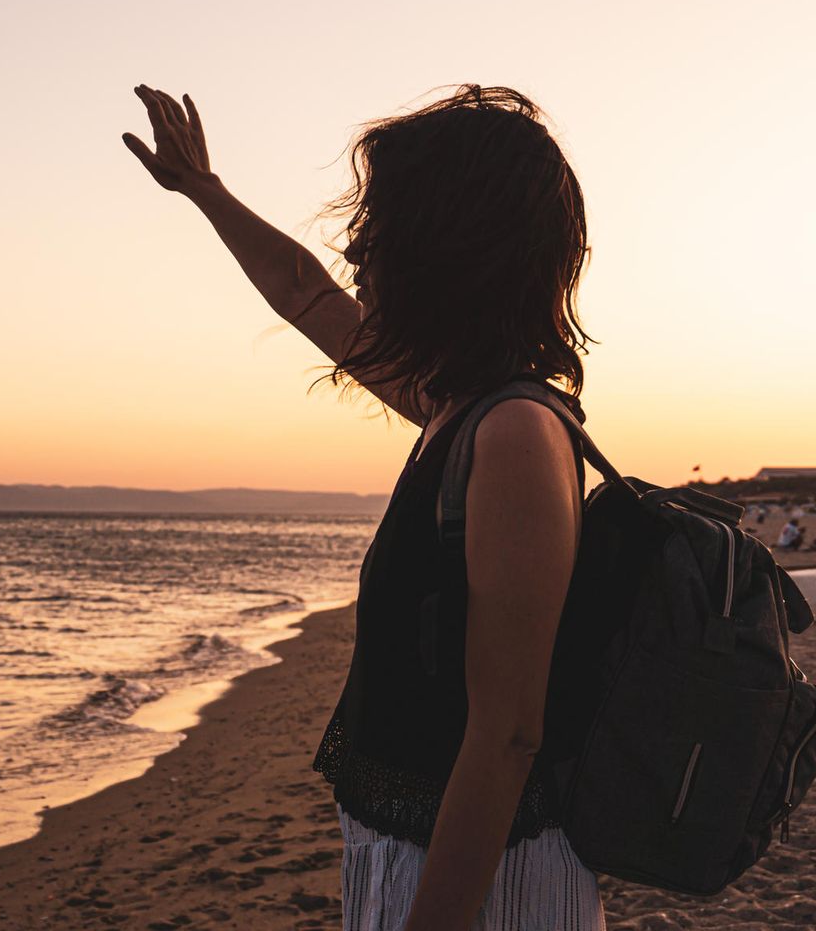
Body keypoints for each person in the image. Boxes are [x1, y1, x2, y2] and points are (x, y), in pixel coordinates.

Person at [126, 83, 604, 930]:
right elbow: (305, 294)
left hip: (488, 884)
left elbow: (508, 736)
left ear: (445, 248)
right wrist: (205, 192)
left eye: (374, 229)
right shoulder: (455, 405)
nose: (353, 250)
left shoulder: (515, 434)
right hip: (412, 858)